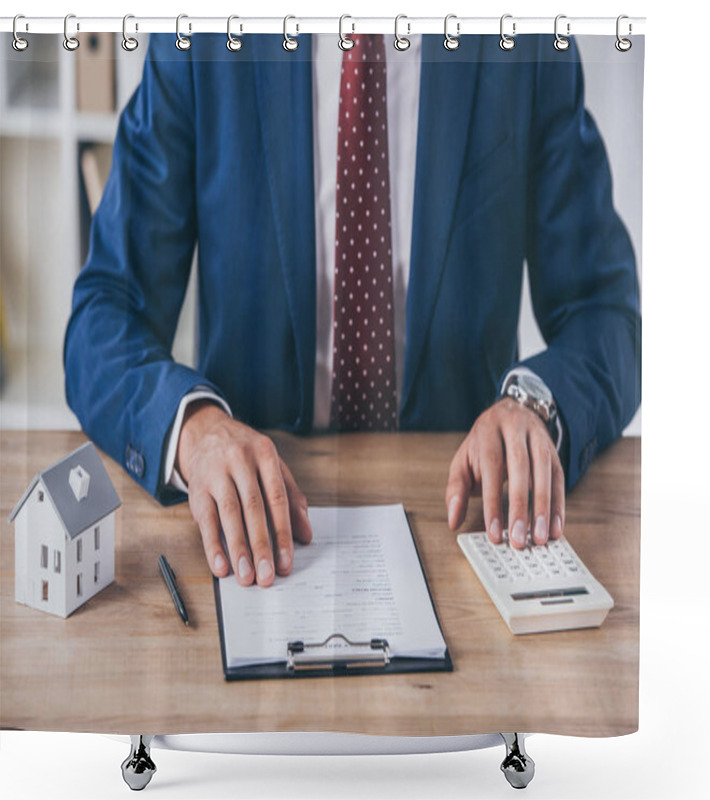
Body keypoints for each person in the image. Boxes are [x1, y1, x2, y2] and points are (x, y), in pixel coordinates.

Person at [65, 33, 641, 588]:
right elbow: (103, 315)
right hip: (256, 537)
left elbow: (606, 310)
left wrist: (536, 405)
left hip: (470, 529)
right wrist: (193, 431)